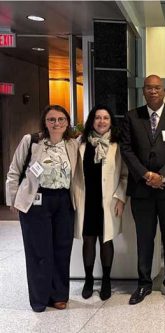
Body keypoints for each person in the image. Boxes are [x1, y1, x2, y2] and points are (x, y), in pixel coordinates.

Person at [120, 74, 165, 305]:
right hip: (142, 189)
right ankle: (144, 284)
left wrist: (163, 176)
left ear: (164, 91)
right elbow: (127, 150)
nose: (153, 91)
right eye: (149, 88)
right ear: (143, 91)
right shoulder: (132, 117)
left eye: (157, 88)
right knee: (144, 238)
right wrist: (146, 175)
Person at [5, 105, 79, 312]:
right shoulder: (32, 141)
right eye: (52, 119)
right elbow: (14, 171)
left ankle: (59, 295)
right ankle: (40, 298)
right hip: (36, 201)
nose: (57, 123)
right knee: (39, 251)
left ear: (67, 122)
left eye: (61, 119)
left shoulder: (72, 144)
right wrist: (12, 199)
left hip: (64, 201)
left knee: (62, 250)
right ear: (44, 122)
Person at [73, 105, 128, 301]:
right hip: (86, 200)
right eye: (98, 118)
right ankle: (88, 279)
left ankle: (106, 279)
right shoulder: (80, 143)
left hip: (108, 201)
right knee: (88, 239)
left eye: (106, 118)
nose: (102, 121)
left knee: (106, 240)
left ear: (111, 121)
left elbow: (124, 175)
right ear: (92, 120)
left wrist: (120, 198)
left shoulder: (116, 145)